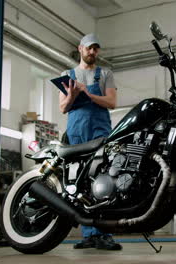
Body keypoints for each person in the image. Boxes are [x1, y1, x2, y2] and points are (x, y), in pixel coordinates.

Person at [59, 33, 122, 251]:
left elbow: (112, 102)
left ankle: (104, 234)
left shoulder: (105, 73)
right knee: (81, 183)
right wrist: (72, 95)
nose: (92, 52)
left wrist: (87, 93)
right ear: (80, 49)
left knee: (104, 179)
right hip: (76, 132)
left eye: (96, 48)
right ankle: (88, 234)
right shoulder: (67, 74)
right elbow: (63, 108)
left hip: (100, 131)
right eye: (89, 48)